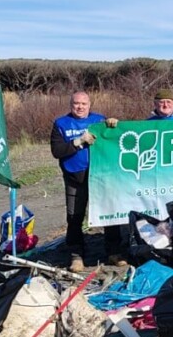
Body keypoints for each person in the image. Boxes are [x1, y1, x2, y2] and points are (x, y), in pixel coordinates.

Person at [49, 91, 123, 272]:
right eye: (76, 103)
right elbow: (57, 151)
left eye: (83, 103)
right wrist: (78, 141)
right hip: (74, 177)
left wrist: (115, 126)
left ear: (89, 105)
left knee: (109, 213)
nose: (80, 107)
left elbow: (115, 140)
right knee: (75, 217)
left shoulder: (99, 120)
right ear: (71, 105)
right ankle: (76, 256)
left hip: (100, 176)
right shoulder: (61, 124)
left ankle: (114, 252)